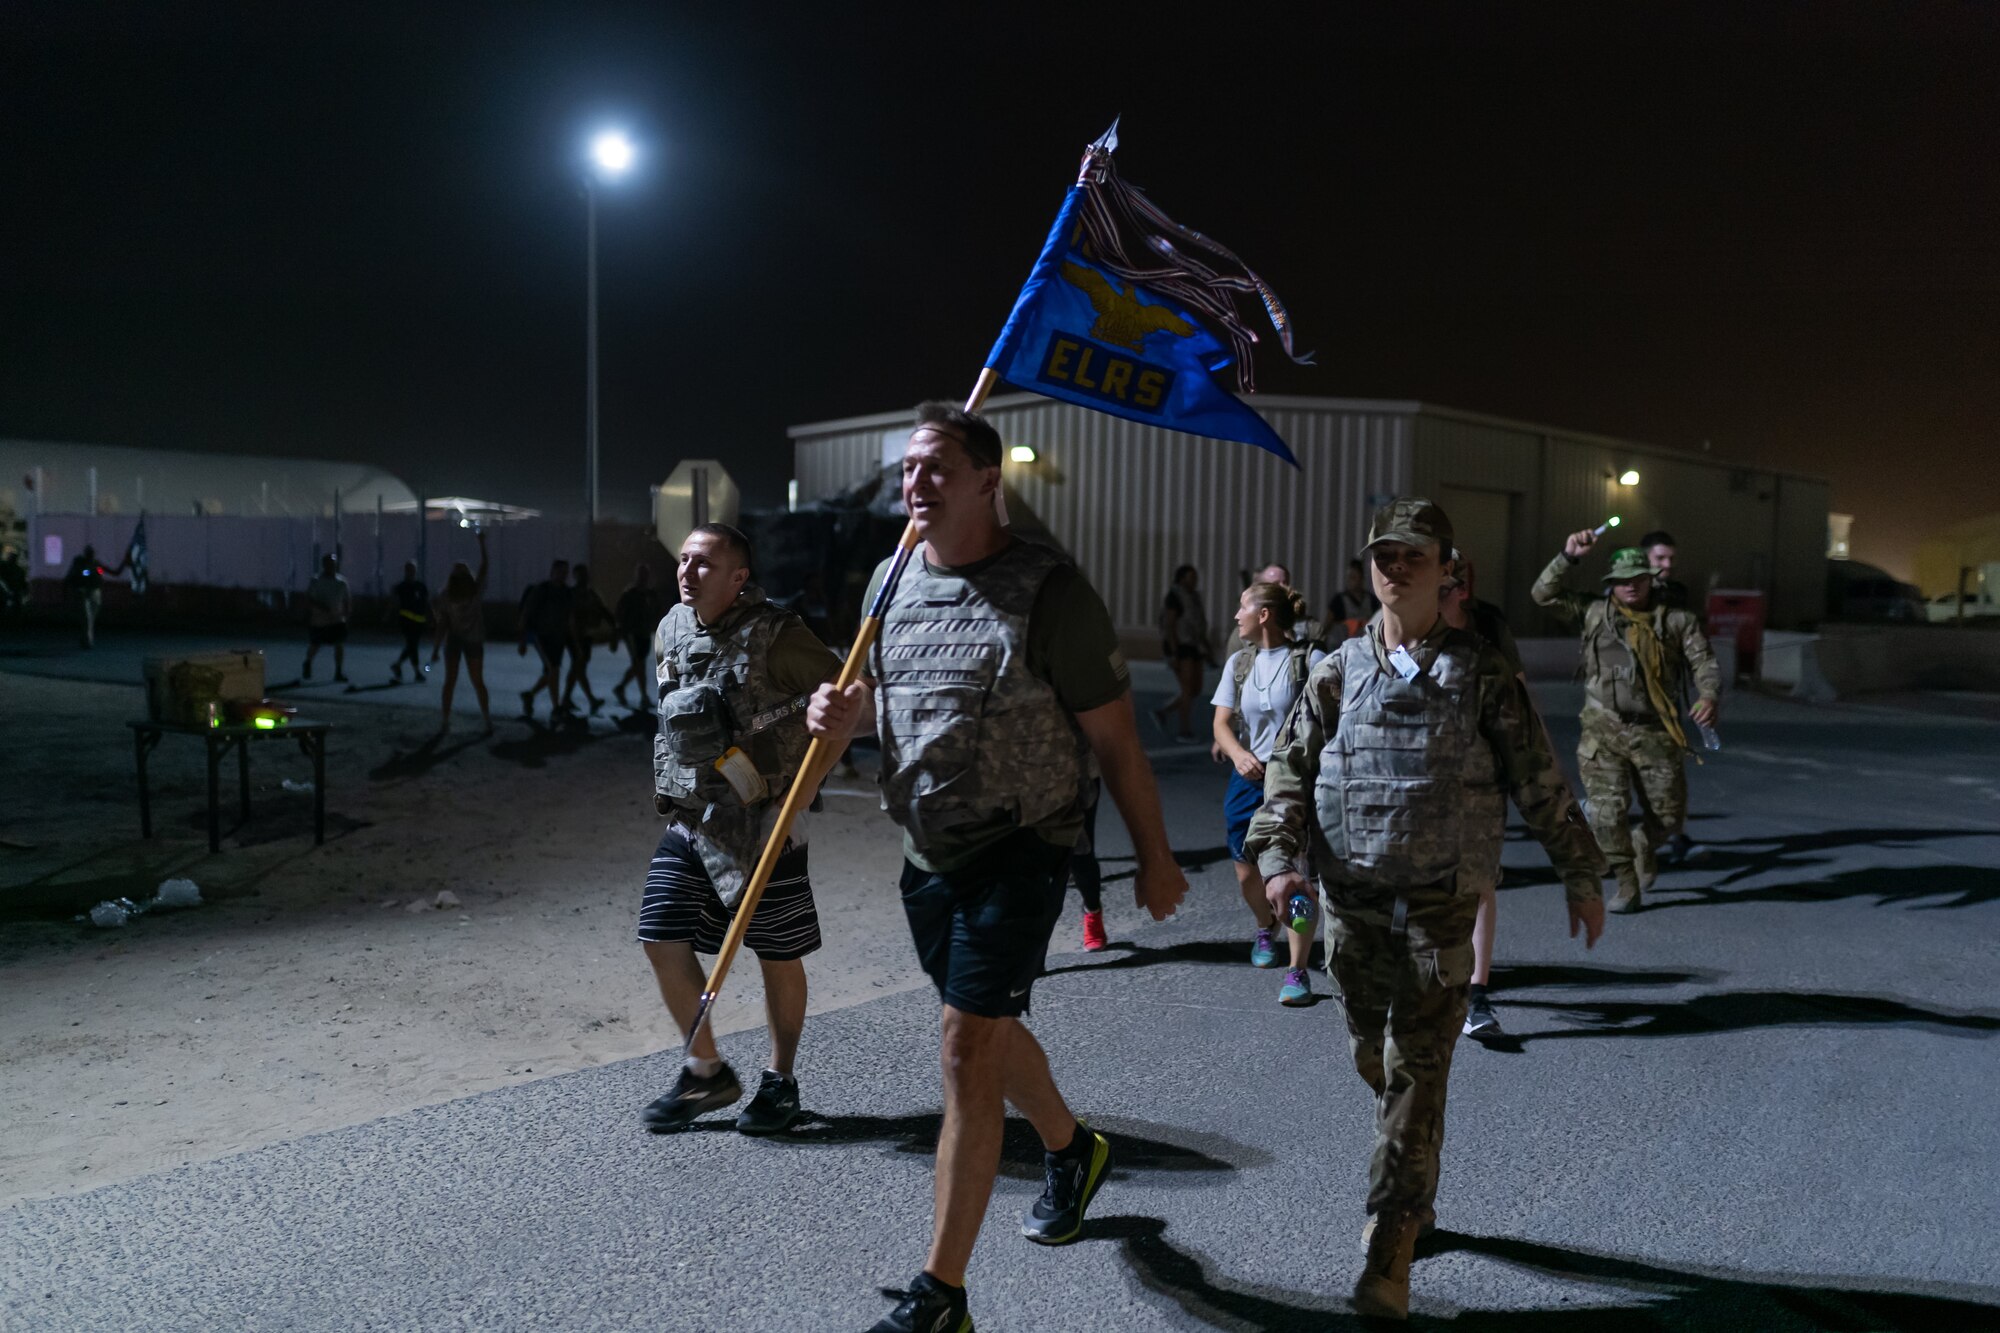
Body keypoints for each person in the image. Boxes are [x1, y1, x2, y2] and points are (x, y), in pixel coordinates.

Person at [805, 401, 1187, 1333]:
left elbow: (1116, 738)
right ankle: (1072, 1148)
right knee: (984, 1028)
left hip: (1025, 842)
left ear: (989, 480)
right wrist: (835, 720)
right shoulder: (887, 584)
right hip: (926, 846)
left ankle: (943, 1297)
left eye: (936, 467)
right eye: (907, 471)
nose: (915, 484)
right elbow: (874, 710)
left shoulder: (1049, 589)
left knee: (965, 1046)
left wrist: (1153, 854)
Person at [1247, 498, 1606, 1321]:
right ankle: (1409, 1175)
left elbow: (1539, 778)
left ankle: (1390, 1242)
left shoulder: (1480, 670)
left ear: (1447, 566)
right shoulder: (1338, 669)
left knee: (1416, 1069)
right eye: (1383, 554)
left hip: (1441, 906)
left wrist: (1580, 871)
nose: (1395, 567)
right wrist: (1277, 860)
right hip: (1353, 904)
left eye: (1413, 554)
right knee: (1372, 1060)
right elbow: (1289, 773)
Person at [638, 523, 840, 1137]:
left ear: (739, 577)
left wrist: (799, 798)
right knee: (660, 934)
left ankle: (780, 1082)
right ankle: (706, 1071)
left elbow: (847, 698)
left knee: (776, 952)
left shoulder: (780, 635)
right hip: (694, 817)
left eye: (704, 563)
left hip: (766, 820)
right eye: (683, 560)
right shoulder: (671, 628)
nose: (688, 572)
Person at [1532, 533, 1720, 913]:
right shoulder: (1593, 613)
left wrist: (1708, 695)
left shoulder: (1676, 620)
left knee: (1669, 817)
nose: (1630, 586)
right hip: (1603, 729)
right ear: (1611, 584)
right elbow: (1543, 594)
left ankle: (1643, 844)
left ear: (1651, 578)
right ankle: (1626, 883)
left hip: (1655, 731)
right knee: (1605, 814)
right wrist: (1568, 556)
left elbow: (1704, 661)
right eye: (1621, 580)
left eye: (1637, 578)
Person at [1211, 580, 1324, 1006]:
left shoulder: (1311, 660)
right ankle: (1265, 924)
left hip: (1295, 779)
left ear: (1264, 615)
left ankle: (1297, 970)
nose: (1236, 615)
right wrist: (1238, 754)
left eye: (1242, 606)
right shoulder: (1240, 664)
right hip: (1248, 776)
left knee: (1295, 878)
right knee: (1247, 873)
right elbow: (1221, 723)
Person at [1438, 553, 1526, 1040]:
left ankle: (1477, 995)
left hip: (1479, 773)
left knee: (1479, 883)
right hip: (1410, 777)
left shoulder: (1488, 625)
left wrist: (1532, 766)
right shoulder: (1393, 623)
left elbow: (1520, 694)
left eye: (1450, 581)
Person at [429, 533, 492, 734]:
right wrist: (482, 545)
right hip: (466, 640)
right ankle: (483, 719)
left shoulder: (450, 594)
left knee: (459, 681)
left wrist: (436, 648)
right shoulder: (467, 592)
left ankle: (448, 720)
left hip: (460, 640)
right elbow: (484, 568)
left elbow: (442, 624)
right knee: (471, 681)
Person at [1153, 564, 1213, 740]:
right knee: (1187, 689)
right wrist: (1173, 652)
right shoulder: (1174, 596)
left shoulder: (1194, 597)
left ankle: (1163, 712)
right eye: (1190, 577)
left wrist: (1207, 649)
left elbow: (1199, 625)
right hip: (1181, 646)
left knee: (1195, 689)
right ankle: (1184, 730)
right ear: (1181, 578)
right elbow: (1170, 625)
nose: (1194, 581)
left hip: (1194, 645)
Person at [516, 559, 572, 720]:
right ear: (552, 572)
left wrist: (572, 639)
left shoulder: (566, 593)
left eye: (565, 572)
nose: (563, 575)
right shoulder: (542, 589)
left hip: (558, 638)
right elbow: (526, 614)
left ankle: (530, 695)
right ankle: (556, 707)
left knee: (551, 672)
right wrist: (522, 641)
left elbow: (569, 618)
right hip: (541, 636)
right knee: (554, 669)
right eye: (560, 572)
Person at [611, 563, 668, 711]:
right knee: (639, 664)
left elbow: (657, 610)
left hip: (644, 632)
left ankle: (622, 687)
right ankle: (643, 696)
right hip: (632, 633)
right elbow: (619, 613)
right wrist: (618, 632)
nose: (644, 578)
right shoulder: (630, 593)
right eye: (642, 575)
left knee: (639, 664)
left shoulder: (649, 594)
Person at [562, 563, 614, 714]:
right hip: (574, 635)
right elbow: (570, 616)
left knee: (578, 667)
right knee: (578, 666)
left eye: (584, 574)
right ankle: (589, 699)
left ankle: (566, 699)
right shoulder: (573, 594)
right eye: (580, 574)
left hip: (586, 635)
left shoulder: (590, 593)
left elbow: (602, 609)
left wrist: (613, 624)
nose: (583, 577)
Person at [62, 544, 125, 649]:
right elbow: (80, 574)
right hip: (82, 593)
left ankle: (85, 638)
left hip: (95, 594)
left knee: (90, 618)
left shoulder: (96, 564)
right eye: (89, 553)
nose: (91, 555)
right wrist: (91, 571)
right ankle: (87, 641)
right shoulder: (79, 563)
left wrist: (123, 564)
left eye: (92, 553)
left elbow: (111, 572)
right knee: (86, 617)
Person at [302, 554, 352, 682]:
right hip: (320, 619)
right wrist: (321, 608)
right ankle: (308, 662)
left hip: (337, 619)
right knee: (316, 644)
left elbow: (346, 600)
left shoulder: (341, 582)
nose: (331, 566)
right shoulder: (316, 580)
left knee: (339, 644)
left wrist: (346, 615)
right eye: (329, 564)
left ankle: (338, 671)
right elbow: (309, 598)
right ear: (324, 565)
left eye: (333, 564)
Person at [389, 560, 430, 684]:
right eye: (409, 569)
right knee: (413, 645)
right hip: (406, 620)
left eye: (412, 569)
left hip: (419, 620)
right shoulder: (401, 586)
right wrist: (389, 615)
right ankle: (417, 672)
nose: (411, 572)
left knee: (412, 645)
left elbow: (426, 603)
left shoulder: (421, 586)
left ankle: (398, 665)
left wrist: (432, 616)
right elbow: (394, 602)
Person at [1637, 529, 1691, 612]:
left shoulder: (1678, 591)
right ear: (1644, 558)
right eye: (1660, 558)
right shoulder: (1632, 589)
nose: (1668, 565)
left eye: (1671, 558)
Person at [1327, 557, 1379, 638]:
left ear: (1361, 578)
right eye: (1350, 577)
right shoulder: (1338, 601)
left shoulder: (1372, 601)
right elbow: (1327, 624)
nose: (1351, 581)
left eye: (1354, 577)